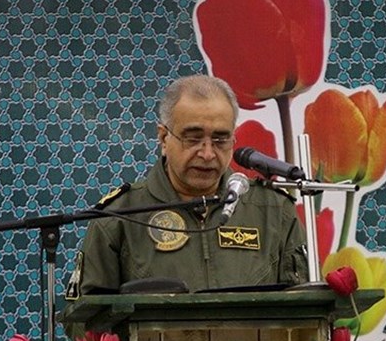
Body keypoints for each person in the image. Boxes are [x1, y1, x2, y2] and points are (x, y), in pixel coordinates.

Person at [64, 74, 309, 299]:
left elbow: (304, 310)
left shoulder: (273, 211)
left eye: (220, 139)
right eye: (193, 138)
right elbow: (87, 319)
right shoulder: (118, 217)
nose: (207, 153)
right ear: (163, 138)